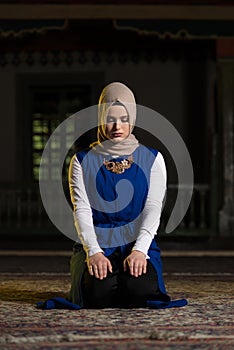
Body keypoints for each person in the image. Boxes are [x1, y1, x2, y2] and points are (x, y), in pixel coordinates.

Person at [67, 82, 187, 309]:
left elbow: (153, 207)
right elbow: (81, 209)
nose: (117, 126)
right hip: (97, 241)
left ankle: (123, 281)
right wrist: (93, 253)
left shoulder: (153, 158)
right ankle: (108, 279)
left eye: (124, 119)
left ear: (132, 119)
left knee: (139, 291)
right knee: (96, 294)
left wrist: (140, 250)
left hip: (136, 240)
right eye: (110, 118)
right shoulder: (81, 161)